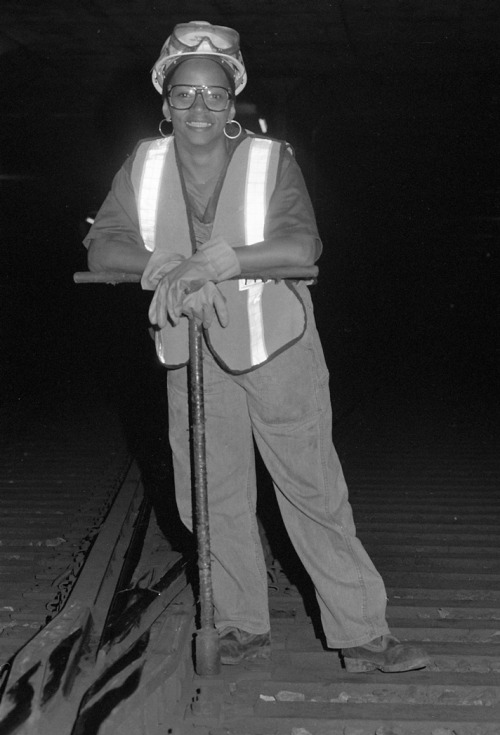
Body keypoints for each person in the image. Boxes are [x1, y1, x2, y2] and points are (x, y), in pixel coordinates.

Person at [84, 21, 429, 674]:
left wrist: (218, 261)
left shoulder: (272, 161)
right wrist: (160, 263)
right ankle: (241, 625)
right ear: (164, 101)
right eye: (184, 94)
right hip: (191, 352)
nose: (199, 109)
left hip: (279, 348)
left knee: (311, 490)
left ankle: (363, 631)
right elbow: (104, 244)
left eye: (215, 95)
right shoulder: (144, 165)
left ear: (233, 98)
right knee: (211, 497)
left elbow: (302, 248)